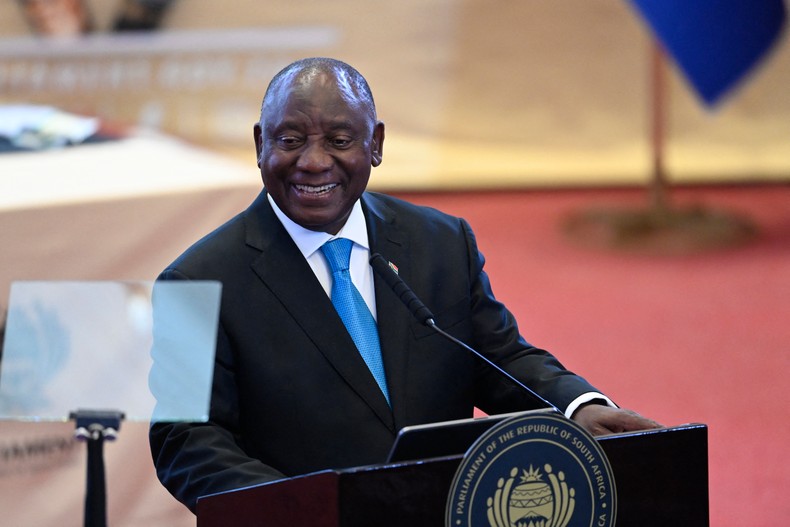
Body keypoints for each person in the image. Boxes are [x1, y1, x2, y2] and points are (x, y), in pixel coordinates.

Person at [149, 57, 660, 513]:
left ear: (376, 145)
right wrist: (299, 509)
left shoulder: (439, 241)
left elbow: (499, 357)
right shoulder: (197, 281)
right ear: (260, 143)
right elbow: (186, 438)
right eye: (290, 140)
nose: (313, 161)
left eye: (340, 140)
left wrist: (578, 406)